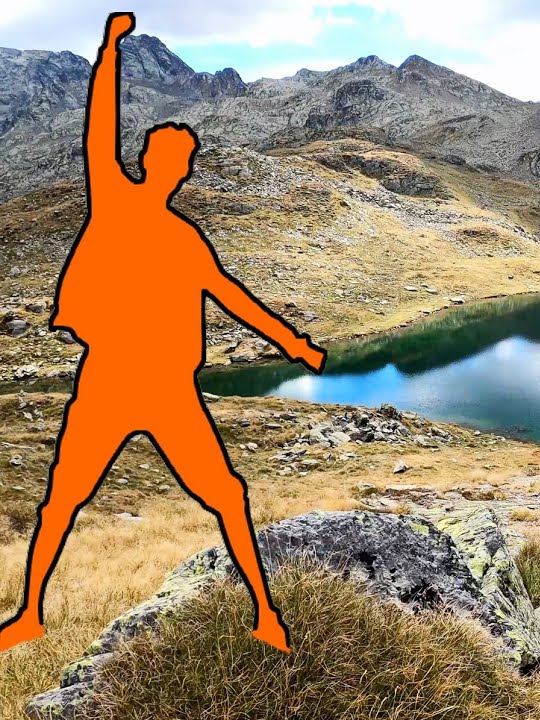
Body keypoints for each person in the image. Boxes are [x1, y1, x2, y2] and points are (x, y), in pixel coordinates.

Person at [0, 13, 326, 654]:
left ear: (182, 172)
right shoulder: (114, 199)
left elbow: (233, 297)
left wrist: (292, 343)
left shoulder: (186, 239)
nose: (173, 165)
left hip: (168, 388)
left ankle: (264, 611)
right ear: (149, 160)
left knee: (227, 495)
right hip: (113, 378)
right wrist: (110, 51)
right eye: (167, 154)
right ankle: (30, 613)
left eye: (182, 159)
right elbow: (98, 131)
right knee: (63, 497)